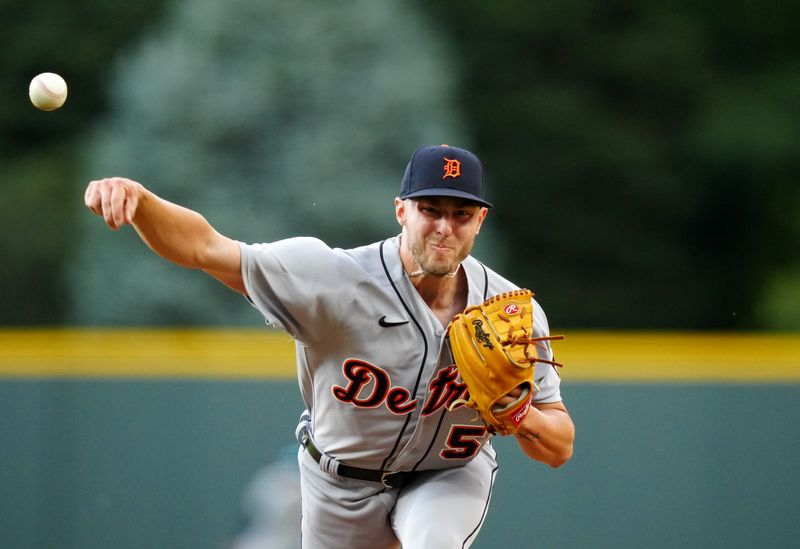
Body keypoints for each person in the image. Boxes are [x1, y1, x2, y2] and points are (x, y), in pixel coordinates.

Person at [84, 144, 575, 548]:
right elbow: (206, 248)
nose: (445, 227)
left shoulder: (513, 313)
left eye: (461, 213)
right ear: (401, 210)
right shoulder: (337, 279)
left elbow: (559, 446)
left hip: (447, 474)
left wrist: (518, 416)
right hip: (339, 484)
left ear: (480, 220)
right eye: (430, 210)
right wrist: (140, 201)